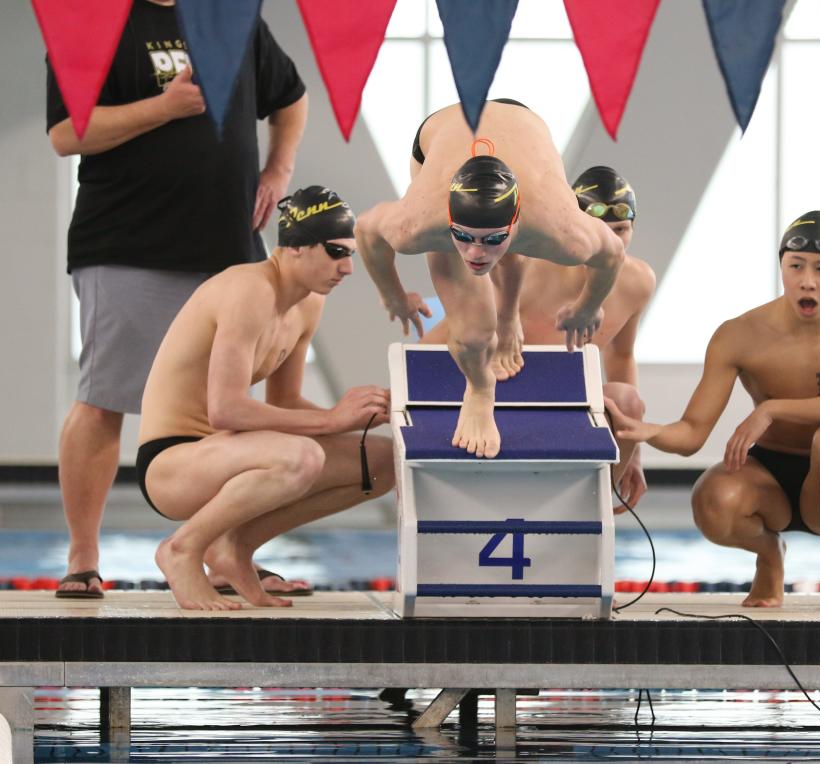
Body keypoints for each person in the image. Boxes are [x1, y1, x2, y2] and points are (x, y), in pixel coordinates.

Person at [47, 0, 308, 598]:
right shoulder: (95, 22)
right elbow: (66, 134)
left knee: (228, 404)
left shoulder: (230, 18)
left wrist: (278, 170)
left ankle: (229, 549)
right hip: (126, 243)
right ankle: (83, 557)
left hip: (226, 244)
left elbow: (291, 97)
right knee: (104, 397)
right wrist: (163, 108)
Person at [606, 211, 820, 612]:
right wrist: (644, 431)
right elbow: (691, 434)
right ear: (782, 268)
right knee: (712, 501)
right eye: (796, 267)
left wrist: (770, 408)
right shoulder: (739, 335)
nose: (808, 280)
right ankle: (769, 554)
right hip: (768, 478)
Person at [136, 186, 394, 611]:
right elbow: (226, 409)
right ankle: (183, 550)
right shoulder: (248, 289)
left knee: (382, 461)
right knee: (301, 455)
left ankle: (234, 547)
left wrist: (363, 418)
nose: (347, 268)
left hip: (227, 454)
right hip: (173, 463)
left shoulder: (308, 303)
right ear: (293, 248)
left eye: (350, 254)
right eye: (335, 252)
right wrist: (332, 420)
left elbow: (287, 402)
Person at [356, 100, 626, 460]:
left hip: (525, 132)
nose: (476, 254)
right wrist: (393, 295)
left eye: (493, 239)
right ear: (450, 221)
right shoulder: (418, 224)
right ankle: (480, 390)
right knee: (472, 332)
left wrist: (587, 307)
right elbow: (365, 231)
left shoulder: (563, 230)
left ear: (515, 223)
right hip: (441, 133)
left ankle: (508, 313)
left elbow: (612, 255)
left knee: (509, 261)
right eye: (463, 237)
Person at [422, 166, 656, 510]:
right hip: (497, 399)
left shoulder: (638, 281)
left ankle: (586, 518)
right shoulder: (526, 265)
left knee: (628, 400)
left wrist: (634, 453)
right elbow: (450, 336)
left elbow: (621, 357)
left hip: (563, 406)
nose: (611, 243)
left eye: (620, 229)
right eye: (599, 230)